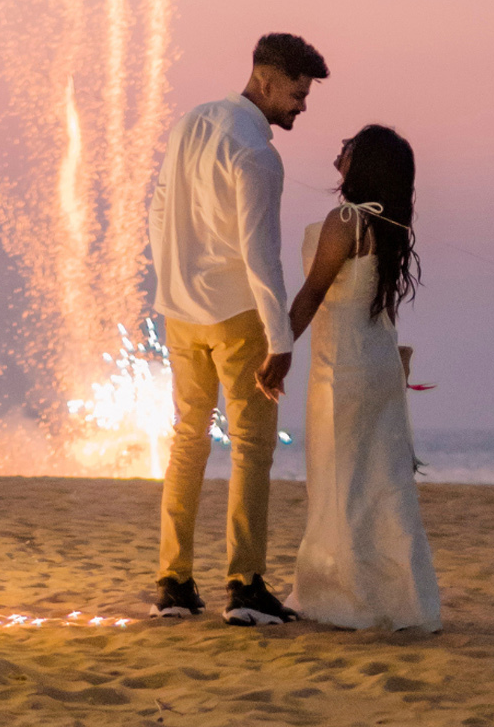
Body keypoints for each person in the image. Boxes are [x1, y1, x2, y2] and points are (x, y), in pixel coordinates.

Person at [147, 32, 326, 626]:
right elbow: (261, 253)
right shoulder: (257, 151)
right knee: (251, 450)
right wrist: (281, 340)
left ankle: (174, 582)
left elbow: (158, 206)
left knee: (188, 440)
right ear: (267, 81)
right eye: (297, 94)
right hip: (237, 316)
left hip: (178, 310)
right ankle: (244, 586)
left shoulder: (191, 122)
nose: (302, 106)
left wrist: (169, 281)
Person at [283, 125, 442, 631]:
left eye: (350, 143)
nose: (340, 147)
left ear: (365, 161)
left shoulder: (347, 219)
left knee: (342, 479)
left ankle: (345, 598)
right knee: (382, 480)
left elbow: (311, 294)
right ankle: (402, 601)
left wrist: (277, 349)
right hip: (373, 359)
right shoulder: (387, 224)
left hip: (344, 366)